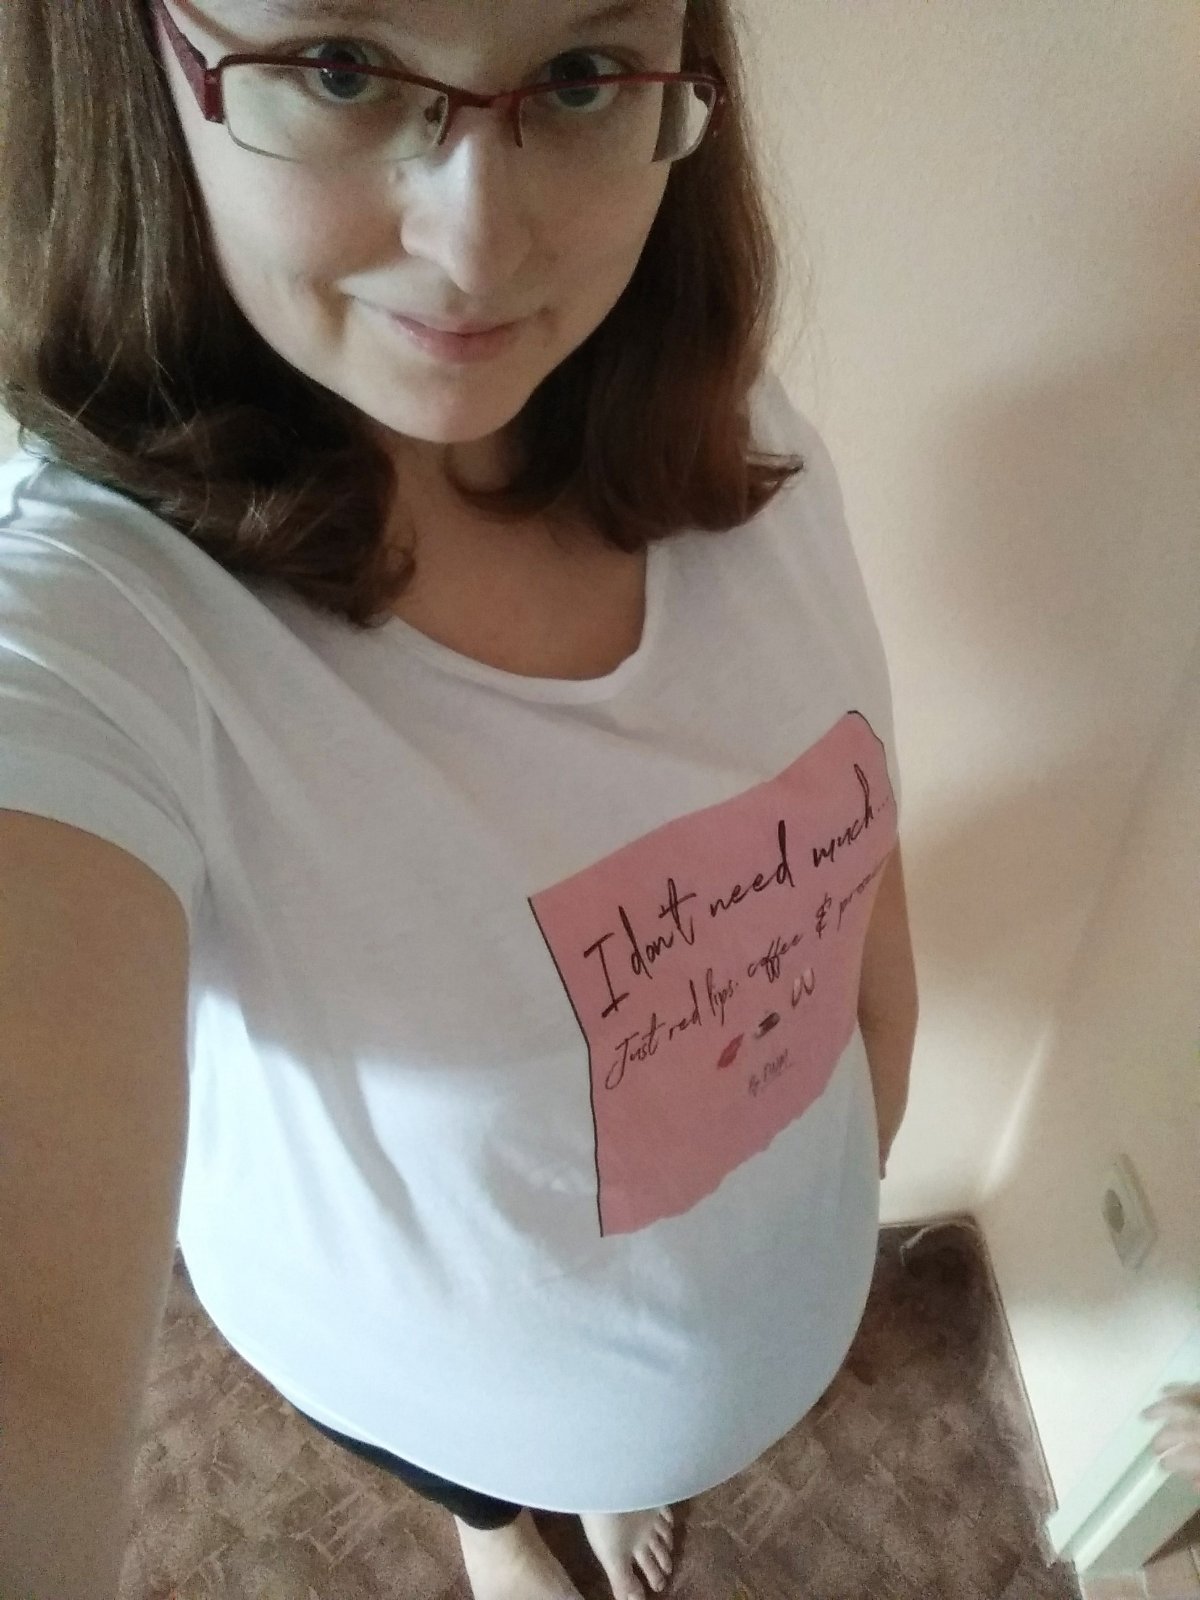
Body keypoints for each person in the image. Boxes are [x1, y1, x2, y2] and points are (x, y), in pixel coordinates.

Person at [0, 3, 918, 1598]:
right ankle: (493, 1526)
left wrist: (876, 1090)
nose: (479, 246)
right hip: (425, 1382)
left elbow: (851, 852)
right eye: (340, 69)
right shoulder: (95, 635)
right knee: (475, 1480)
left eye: (579, 77)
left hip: (779, 1302)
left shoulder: (745, 434)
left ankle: (621, 1474)